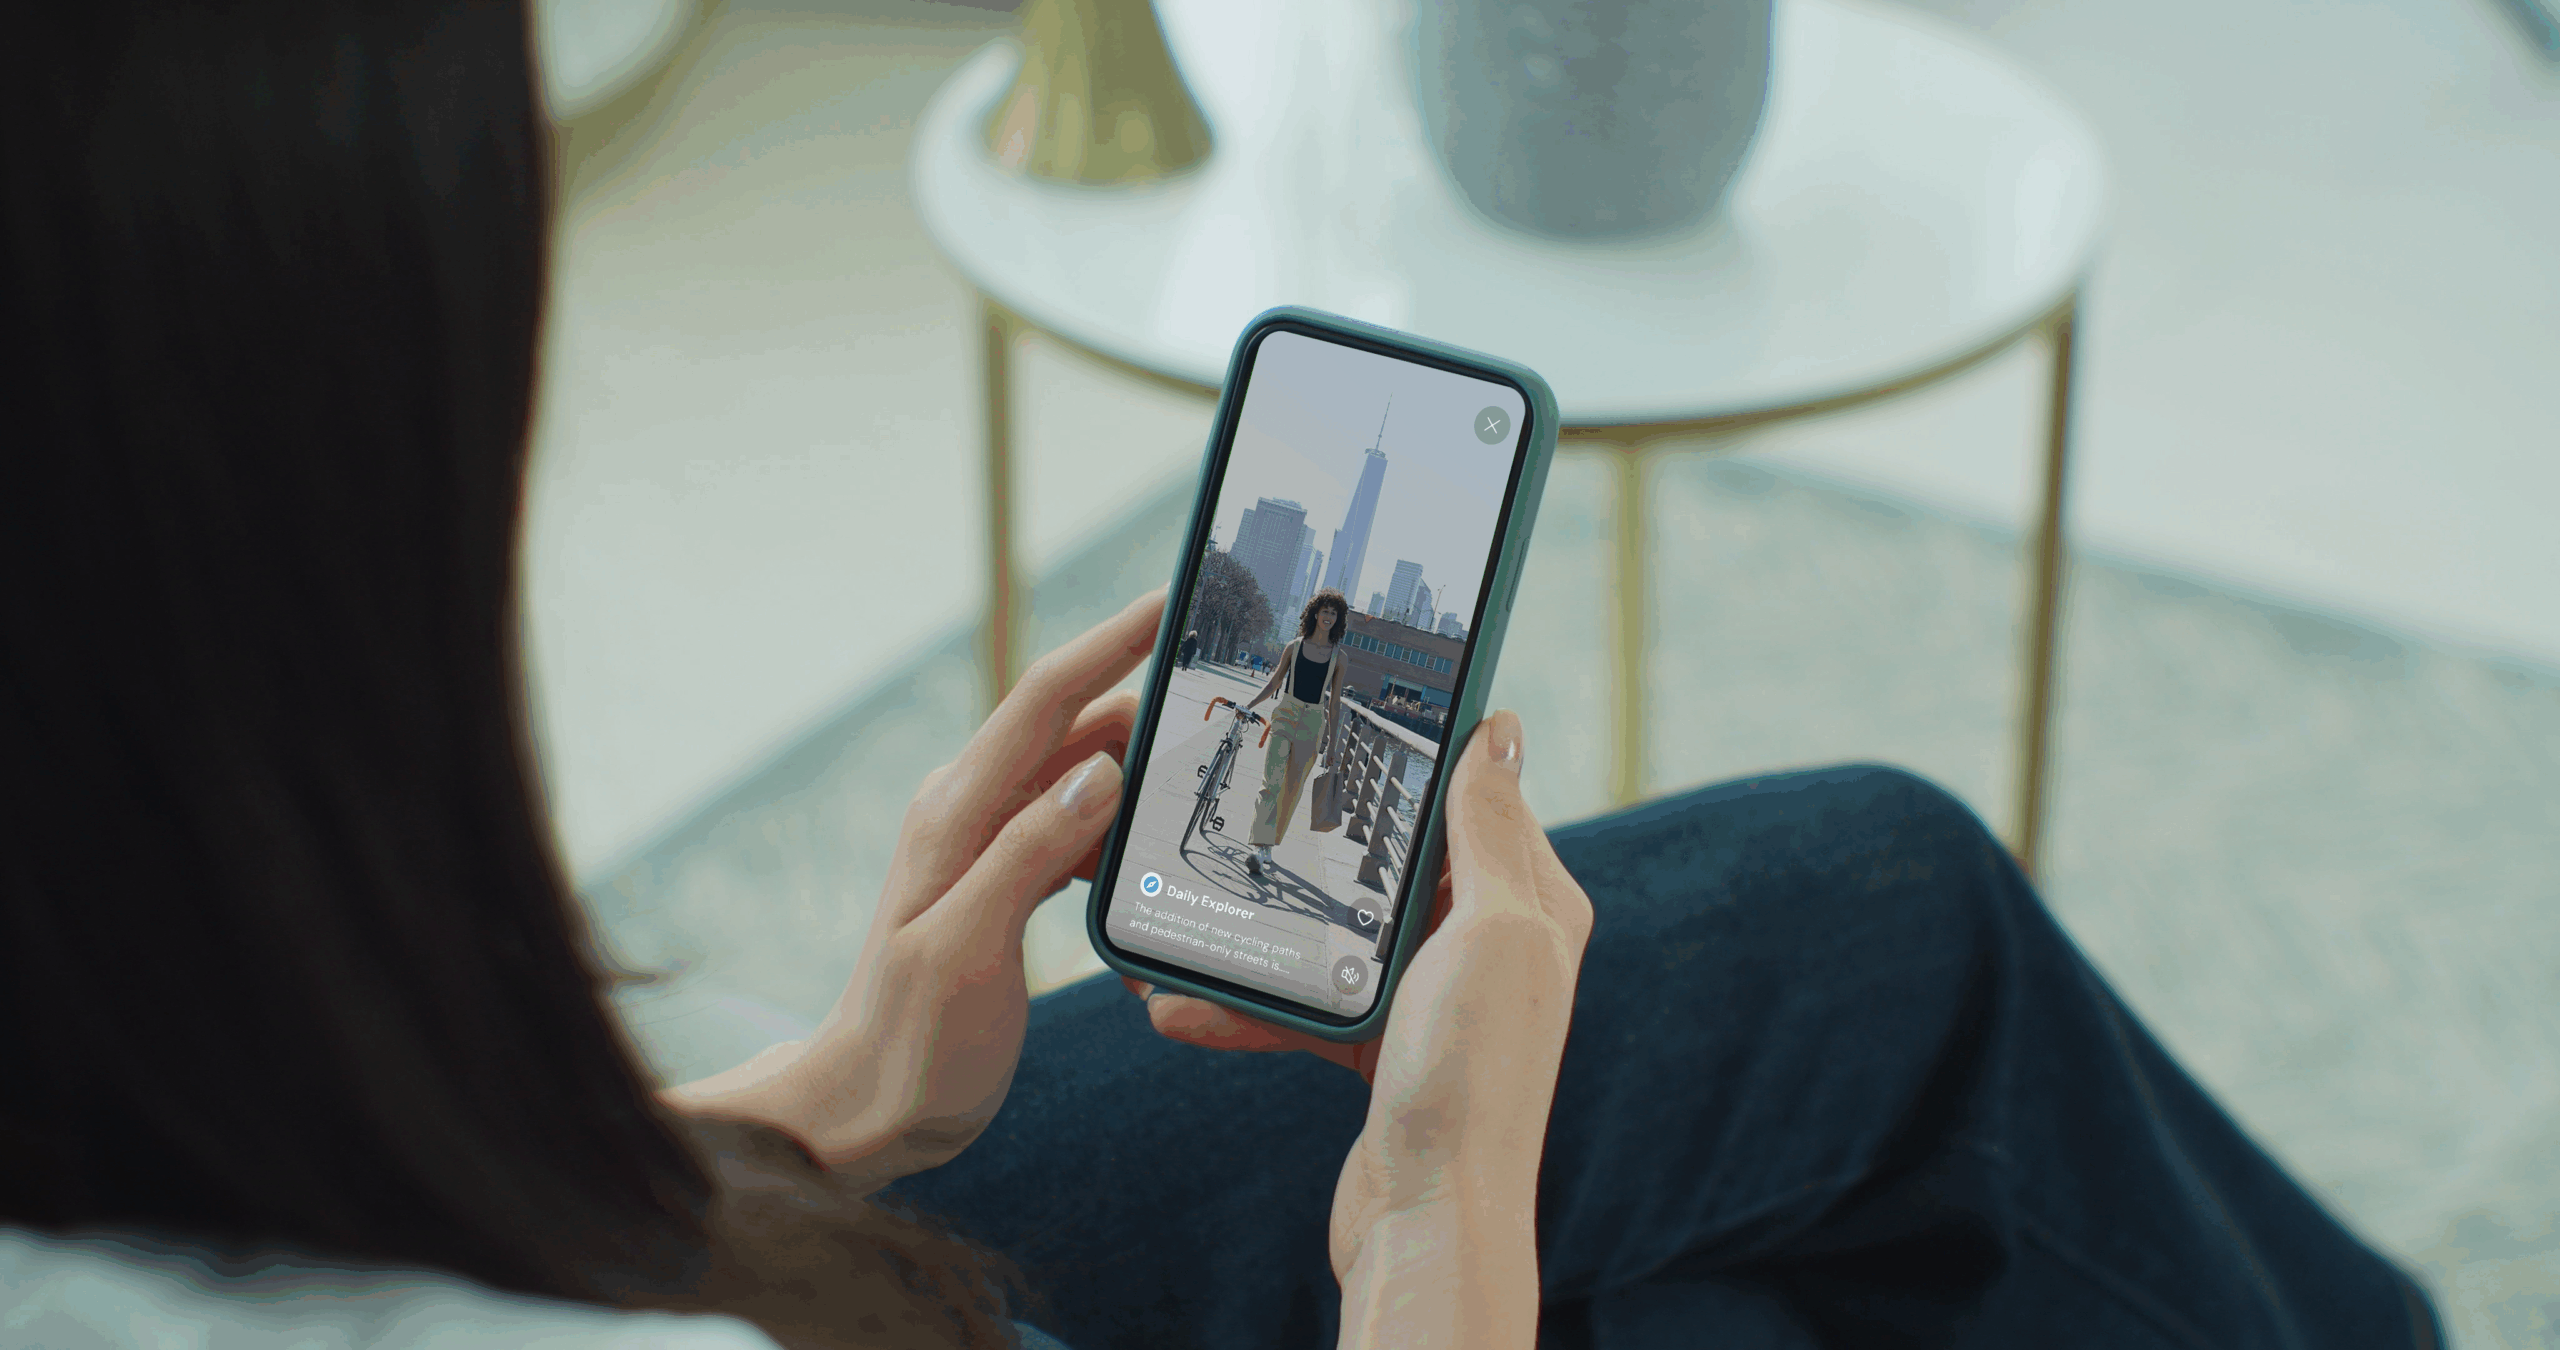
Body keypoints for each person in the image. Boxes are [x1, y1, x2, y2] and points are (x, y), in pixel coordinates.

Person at [0, 5, 2445, 1350]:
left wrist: (823, 1102)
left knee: (1864, 924)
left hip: (676, 1225)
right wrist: (1433, 1229)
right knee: (1812, 1114)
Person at [1239, 592, 1350, 879]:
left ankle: (1270, 844)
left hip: (1313, 722)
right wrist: (1250, 705)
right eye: (1324, 610)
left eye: (1334, 613)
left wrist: (1332, 745)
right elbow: (1275, 681)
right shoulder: (1294, 646)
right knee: (1271, 781)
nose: (1328, 617)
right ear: (1315, 613)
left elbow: (1335, 704)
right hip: (1286, 715)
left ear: (1338, 619)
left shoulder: (1339, 657)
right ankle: (1259, 845)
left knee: (1292, 787)